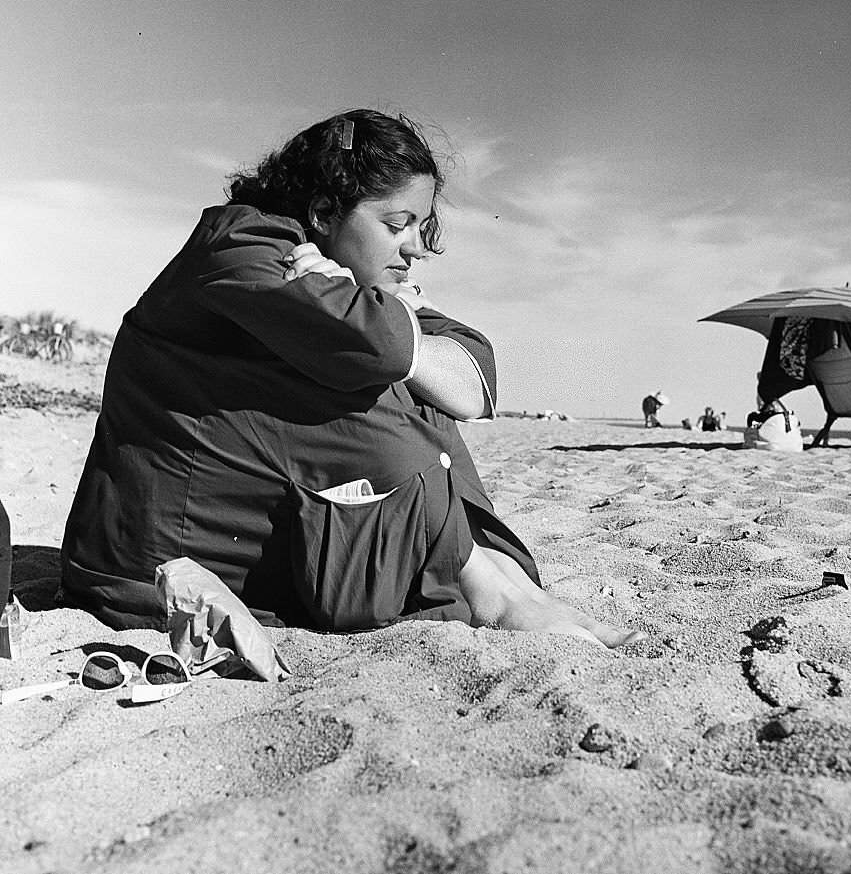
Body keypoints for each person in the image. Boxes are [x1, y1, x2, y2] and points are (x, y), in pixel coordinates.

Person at [60, 109, 641, 648]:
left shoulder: (358, 279)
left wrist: (367, 302)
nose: (415, 248)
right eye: (397, 223)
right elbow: (377, 345)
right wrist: (373, 313)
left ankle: (507, 584)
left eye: (421, 225)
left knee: (425, 393)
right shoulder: (240, 246)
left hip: (243, 517)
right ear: (323, 213)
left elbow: (472, 381)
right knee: (371, 382)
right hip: (162, 553)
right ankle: (488, 590)